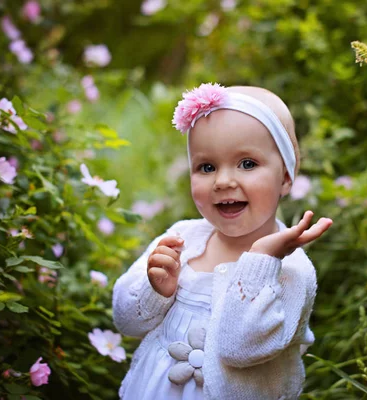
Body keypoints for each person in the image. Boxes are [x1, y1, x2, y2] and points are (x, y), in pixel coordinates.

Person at [112, 83, 333, 399]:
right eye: (206, 167)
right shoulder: (181, 239)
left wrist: (261, 260)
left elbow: (239, 349)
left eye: (247, 163)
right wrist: (156, 291)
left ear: (285, 176)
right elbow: (125, 321)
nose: (223, 181)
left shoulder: (292, 271)